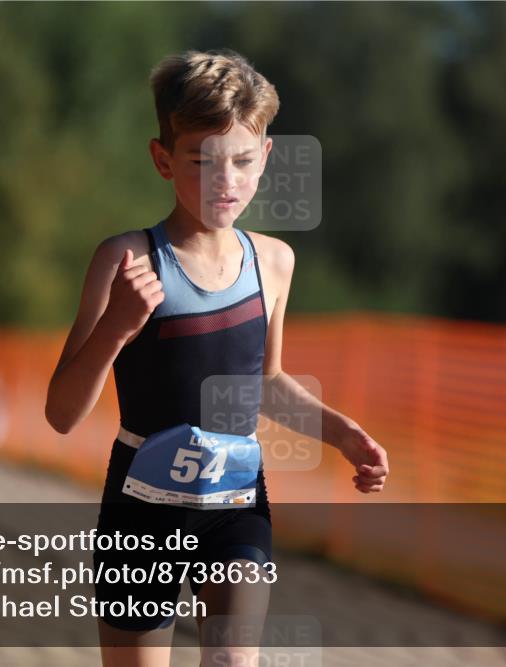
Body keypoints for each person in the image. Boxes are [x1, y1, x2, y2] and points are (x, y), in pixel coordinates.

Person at [45, 49, 389, 667]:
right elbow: (62, 414)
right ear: (162, 159)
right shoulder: (124, 260)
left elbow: (265, 383)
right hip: (141, 512)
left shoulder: (274, 263)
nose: (224, 180)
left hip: (235, 506)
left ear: (267, 159)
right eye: (202, 161)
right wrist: (116, 329)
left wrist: (343, 434)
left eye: (242, 160)